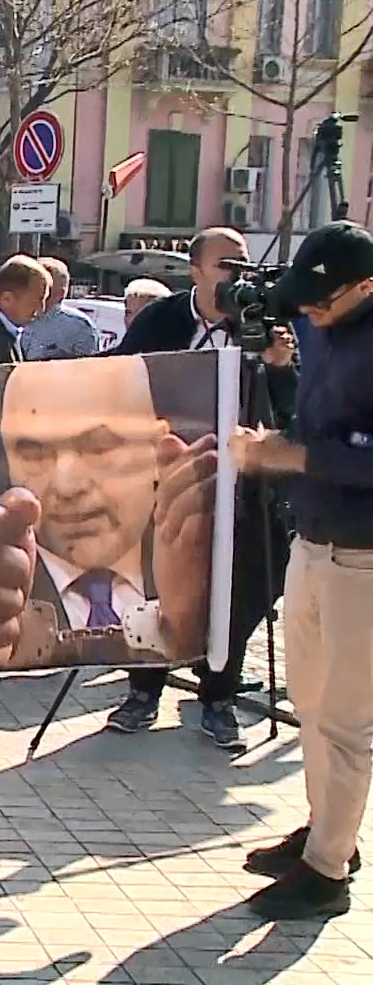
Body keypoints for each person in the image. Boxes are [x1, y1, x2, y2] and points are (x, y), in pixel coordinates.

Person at [228, 220, 373, 921]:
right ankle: (326, 831)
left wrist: (292, 458)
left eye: (320, 304)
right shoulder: (319, 328)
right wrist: (282, 373)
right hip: (312, 543)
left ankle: (328, 873)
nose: (307, 314)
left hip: (364, 559)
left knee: (345, 719)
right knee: (311, 706)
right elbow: (310, 417)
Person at [105, 227, 297, 747]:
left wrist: (280, 367)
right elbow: (118, 379)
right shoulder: (163, 319)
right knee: (157, 587)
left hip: (247, 487)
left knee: (246, 587)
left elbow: (294, 407)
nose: (237, 278)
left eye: (244, 265)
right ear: (196, 271)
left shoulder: (263, 324)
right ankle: (143, 690)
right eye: (226, 267)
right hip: (166, 483)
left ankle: (219, 696)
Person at [0, 355, 215, 674]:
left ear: (156, 447)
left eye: (99, 447)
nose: (67, 486)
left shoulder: (202, 558)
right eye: (34, 452)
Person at [19, 257, 101, 361]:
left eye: (45, 286)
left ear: (60, 293)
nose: (34, 290)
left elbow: (89, 371)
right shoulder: (13, 315)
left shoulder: (79, 328)